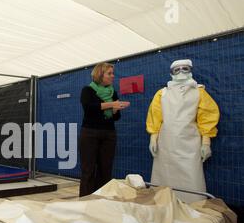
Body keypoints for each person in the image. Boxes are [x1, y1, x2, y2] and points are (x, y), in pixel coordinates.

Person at [146, 59, 220, 203]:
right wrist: (153, 138)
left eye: (184, 69)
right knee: (164, 175)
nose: (181, 72)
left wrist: (206, 142)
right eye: (177, 70)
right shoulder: (162, 93)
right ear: (171, 73)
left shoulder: (199, 92)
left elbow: (207, 116)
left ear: (190, 70)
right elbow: (155, 116)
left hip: (189, 143)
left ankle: (193, 205)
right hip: (166, 143)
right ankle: (163, 204)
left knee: (191, 175)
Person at [79, 63, 130, 197]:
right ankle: (85, 200)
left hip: (109, 134)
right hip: (90, 133)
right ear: (100, 75)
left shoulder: (112, 92)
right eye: (109, 73)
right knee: (88, 170)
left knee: (105, 169)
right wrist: (112, 104)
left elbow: (117, 117)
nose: (113, 76)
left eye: (113, 73)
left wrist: (115, 110)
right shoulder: (88, 90)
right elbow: (90, 108)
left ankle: (101, 200)